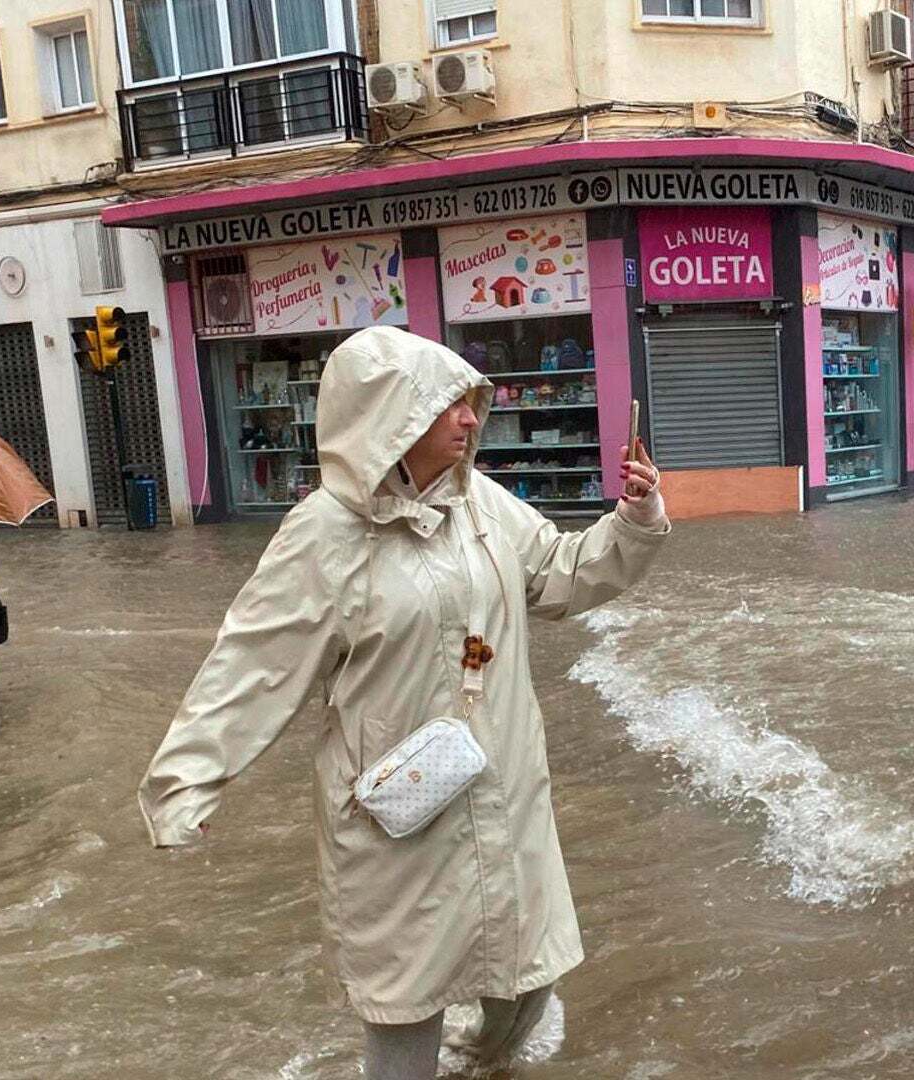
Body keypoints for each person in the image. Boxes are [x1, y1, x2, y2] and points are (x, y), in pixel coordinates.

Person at [137, 327, 669, 1080]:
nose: (469, 419)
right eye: (447, 403)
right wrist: (186, 781)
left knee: (530, 975)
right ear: (389, 416)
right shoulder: (323, 535)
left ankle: (480, 1064)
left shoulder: (478, 503)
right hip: (400, 816)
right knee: (404, 1007)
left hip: (503, 789)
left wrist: (632, 521)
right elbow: (253, 665)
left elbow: (557, 575)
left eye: (469, 402)